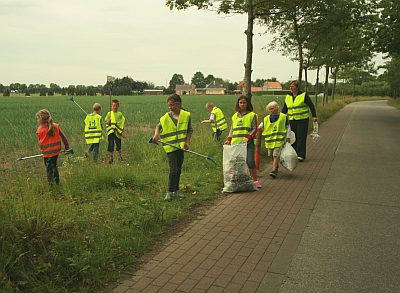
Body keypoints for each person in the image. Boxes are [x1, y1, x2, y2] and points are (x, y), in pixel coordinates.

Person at [152, 94, 193, 201]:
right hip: (170, 147)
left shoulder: (186, 115)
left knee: (178, 169)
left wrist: (187, 143)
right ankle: (169, 192)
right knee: (173, 169)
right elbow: (158, 126)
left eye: (172, 105)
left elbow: (189, 130)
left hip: (180, 147)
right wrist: (156, 135)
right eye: (169, 105)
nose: (170, 107)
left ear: (178, 104)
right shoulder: (165, 117)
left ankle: (176, 191)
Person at [224, 95, 261, 189]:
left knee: (249, 161)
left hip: (248, 144)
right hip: (236, 144)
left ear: (247, 104)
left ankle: (255, 180)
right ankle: (237, 181)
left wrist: (248, 137)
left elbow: (255, 128)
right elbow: (232, 129)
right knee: (236, 163)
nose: (242, 104)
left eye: (244, 102)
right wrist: (229, 138)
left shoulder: (252, 115)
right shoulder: (234, 116)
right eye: (241, 102)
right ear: (238, 104)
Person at [282, 80, 318, 161]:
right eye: (290, 86)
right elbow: (285, 108)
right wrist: (280, 117)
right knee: (293, 137)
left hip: (302, 120)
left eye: (293, 86)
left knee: (301, 137)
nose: (291, 88)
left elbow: (311, 105)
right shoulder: (288, 96)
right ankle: (294, 154)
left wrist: (314, 116)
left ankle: (301, 155)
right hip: (292, 120)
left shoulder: (303, 95)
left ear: (297, 87)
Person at [35, 109, 70, 185]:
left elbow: (40, 142)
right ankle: (57, 183)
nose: (37, 120)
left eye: (37, 118)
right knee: (54, 166)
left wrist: (43, 150)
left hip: (47, 153)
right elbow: (64, 137)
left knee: (49, 169)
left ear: (41, 120)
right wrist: (67, 147)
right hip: (56, 152)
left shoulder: (40, 130)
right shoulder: (56, 126)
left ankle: (51, 185)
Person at [259, 101, 291, 178]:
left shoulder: (283, 117)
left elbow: (288, 128)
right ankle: (276, 167)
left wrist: (288, 137)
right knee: (271, 155)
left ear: (277, 108)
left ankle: (274, 171)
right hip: (269, 142)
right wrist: (259, 128)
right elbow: (261, 125)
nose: (271, 110)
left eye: (272, 108)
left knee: (275, 155)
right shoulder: (266, 118)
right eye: (269, 109)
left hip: (279, 141)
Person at [105, 99, 126, 164]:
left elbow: (122, 122)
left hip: (117, 132)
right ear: (111, 106)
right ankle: (111, 157)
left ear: (118, 106)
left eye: (116, 105)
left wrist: (120, 129)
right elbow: (106, 121)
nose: (115, 107)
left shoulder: (120, 114)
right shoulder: (109, 113)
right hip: (111, 132)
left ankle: (120, 156)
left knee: (118, 144)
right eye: (113, 105)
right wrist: (108, 122)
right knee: (111, 144)